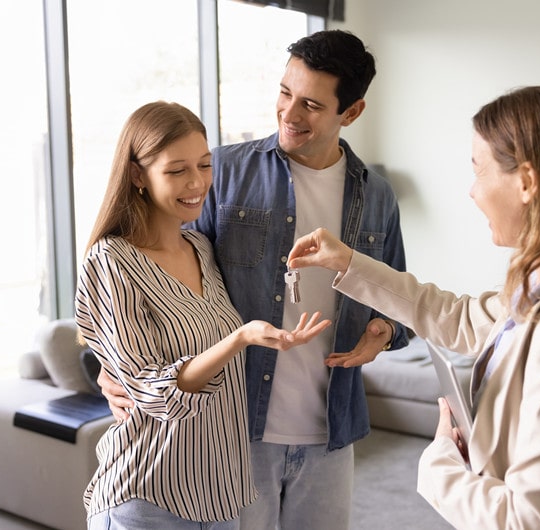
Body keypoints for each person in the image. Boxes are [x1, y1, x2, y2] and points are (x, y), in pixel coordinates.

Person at [288, 85, 540, 529]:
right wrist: (348, 262)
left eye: (479, 171)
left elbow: (533, 521)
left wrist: (440, 464)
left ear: (527, 182)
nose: (472, 191)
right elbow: (458, 318)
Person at [99, 30, 409, 529]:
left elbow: (399, 301)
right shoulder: (221, 172)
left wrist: (385, 331)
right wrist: (110, 364)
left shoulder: (377, 197)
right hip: (235, 429)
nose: (290, 113)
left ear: (351, 112)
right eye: (285, 92)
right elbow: (153, 275)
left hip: (330, 435)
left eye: (311, 104)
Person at [75, 101, 331, 529]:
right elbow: (154, 391)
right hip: (150, 496)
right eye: (177, 170)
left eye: (205, 165)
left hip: (223, 496)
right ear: (137, 175)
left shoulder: (202, 248)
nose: (196, 182)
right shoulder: (111, 260)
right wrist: (240, 338)